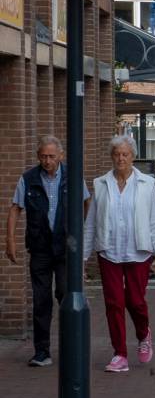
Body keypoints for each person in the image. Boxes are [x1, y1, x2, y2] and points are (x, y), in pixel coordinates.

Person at [83, 135, 155, 373]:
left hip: (138, 251)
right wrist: (83, 257)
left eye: (125, 154)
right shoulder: (100, 184)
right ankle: (119, 353)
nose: (121, 158)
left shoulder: (146, 184)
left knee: (135, 301)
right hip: (109, 250)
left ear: (132, 157)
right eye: (117, 154)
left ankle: (144, 334)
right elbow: (91, 222)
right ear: (111, 157)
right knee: (114, 303)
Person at [5, 136, 89, 367]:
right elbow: (15, 209)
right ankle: (42, 351)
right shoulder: (28, 179)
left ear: (60, 156)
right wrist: (9, 240)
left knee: (65, 293)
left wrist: (80, 233)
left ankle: (70, 346)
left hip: (64, 247)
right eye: (43, 156)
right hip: (40, 246)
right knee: (41, 300)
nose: (47, 161)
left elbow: (86, 203)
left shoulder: (72, 175)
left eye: (51, 156)